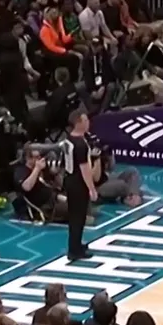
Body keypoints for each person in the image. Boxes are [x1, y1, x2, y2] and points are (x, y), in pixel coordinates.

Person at [59, 110, 97, 261]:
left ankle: (76, 244)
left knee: (76, 216)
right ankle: (74, 250)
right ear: (78, 123)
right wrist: (91, 188)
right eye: (86, 120)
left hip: (69, 179)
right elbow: (84, 168)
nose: (88, 123)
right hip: (78, 183)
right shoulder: (80, 144)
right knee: (78, 217)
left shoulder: (68, 139)